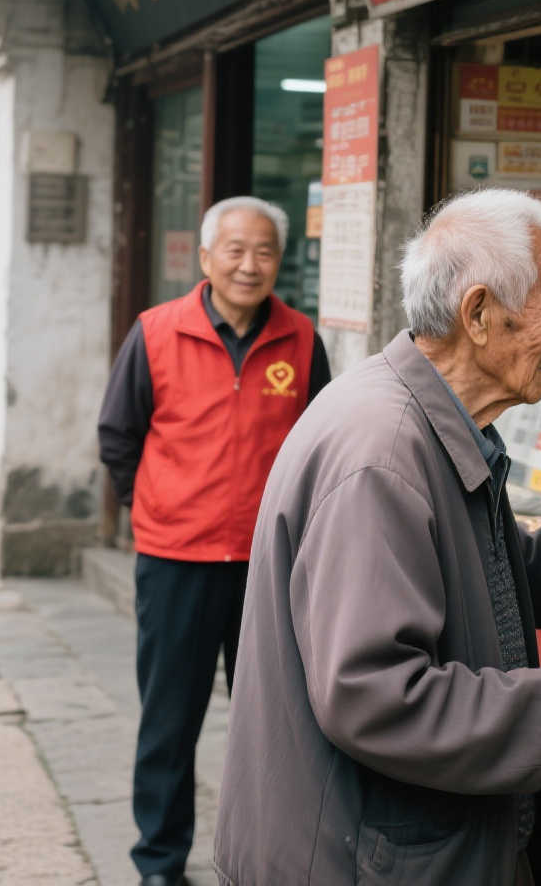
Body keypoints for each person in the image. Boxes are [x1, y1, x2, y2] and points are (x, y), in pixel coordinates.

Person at [214, 190, 541, 886]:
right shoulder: (384, 454)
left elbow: (471, 567)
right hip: (361, 857)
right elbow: (373, 693)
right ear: (478, 314)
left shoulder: (418, 416)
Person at [97, 195, 330, 886]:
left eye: (264, 252)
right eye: (234, 250)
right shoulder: (155, 332)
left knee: (277, 724)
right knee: (170, 721)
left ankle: (271, 858)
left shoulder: (302, 340)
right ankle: (160, 865)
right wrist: (159, 507)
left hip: (269, 565)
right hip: (176, 563)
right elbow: (118, 436)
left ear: (279, 262)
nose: (249, 265)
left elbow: (323, 446)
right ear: (206, 257)